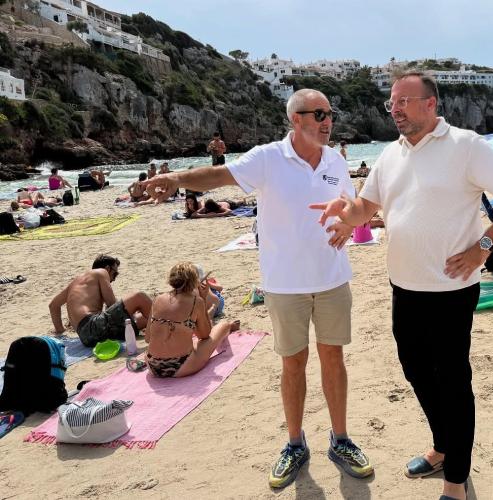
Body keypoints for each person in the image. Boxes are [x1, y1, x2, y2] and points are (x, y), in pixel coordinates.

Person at [310, 70, 493, 500]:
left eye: (403, 101)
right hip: (403, 287)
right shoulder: (390, 153)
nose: (394, 110)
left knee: (452, 383)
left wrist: (484, 247)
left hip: (451, 291)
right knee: (416, 373)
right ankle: (442, 446)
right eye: (391, 103)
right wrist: (346, 211)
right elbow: (365, 208)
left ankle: (456, 480)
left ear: (430, 104)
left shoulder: (466, 145)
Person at [141, 88, 373, 489]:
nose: (328, 121)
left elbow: (354, 210)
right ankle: (295, 444)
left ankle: (340, 440)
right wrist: (176, 178)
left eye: (330, 113)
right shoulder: (268, 158)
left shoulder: (336, 161)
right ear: (296, 119)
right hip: (284, 285)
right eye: (318, 114)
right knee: (293, 364)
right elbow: (219, 175)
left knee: (333, 358)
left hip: (333, 279)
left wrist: (350, 225)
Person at [145, 262, 239, 378]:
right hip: (181, 365)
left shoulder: (157, 299)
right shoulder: (196, 301)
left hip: (152, 365)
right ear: (194, 281)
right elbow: (204, 336)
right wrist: (203, 299)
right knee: (223, 325)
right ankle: (229, 327)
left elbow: (148, 338)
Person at [48, 255, 152, 347]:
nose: (114, 279)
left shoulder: (75, 283)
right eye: (115, 274)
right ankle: (161, 331)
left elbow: (53, 305)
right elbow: (111, 303)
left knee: (144, 318)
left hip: (87, 338)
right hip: (93, 325)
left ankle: (157, 326)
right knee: (139, 296)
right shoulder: (101, 272)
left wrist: (60, 330)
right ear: (107, 268)